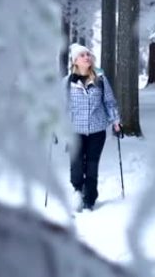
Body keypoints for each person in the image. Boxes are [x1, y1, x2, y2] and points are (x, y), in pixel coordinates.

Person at [65, 43, 121, 211]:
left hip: (97, 130)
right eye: (82, 55)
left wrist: (116, 122)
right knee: (76, 165)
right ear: (75, 60)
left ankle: (89, 198)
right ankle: (77, 191)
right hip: (75, 130)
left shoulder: (100, 80)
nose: (87, 57)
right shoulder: (67, 82)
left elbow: (109, 102)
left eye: (88, 54)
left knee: (91, 165)